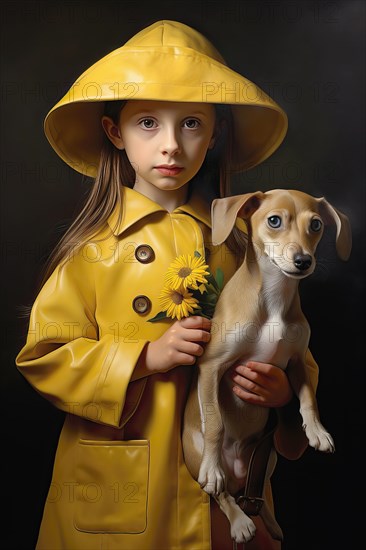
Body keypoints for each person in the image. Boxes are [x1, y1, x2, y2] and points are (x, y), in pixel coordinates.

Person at [16, 20, 318, 550]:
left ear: (215, 133)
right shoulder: (95, 253)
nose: (171, 146)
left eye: (192, 124)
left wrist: (285, 394)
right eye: (149, 123)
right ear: (115, 133)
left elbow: (290, 338)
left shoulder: (245, 247)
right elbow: (44, 356)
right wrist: (142, 359)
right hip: (129, 490)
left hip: (228, 491)